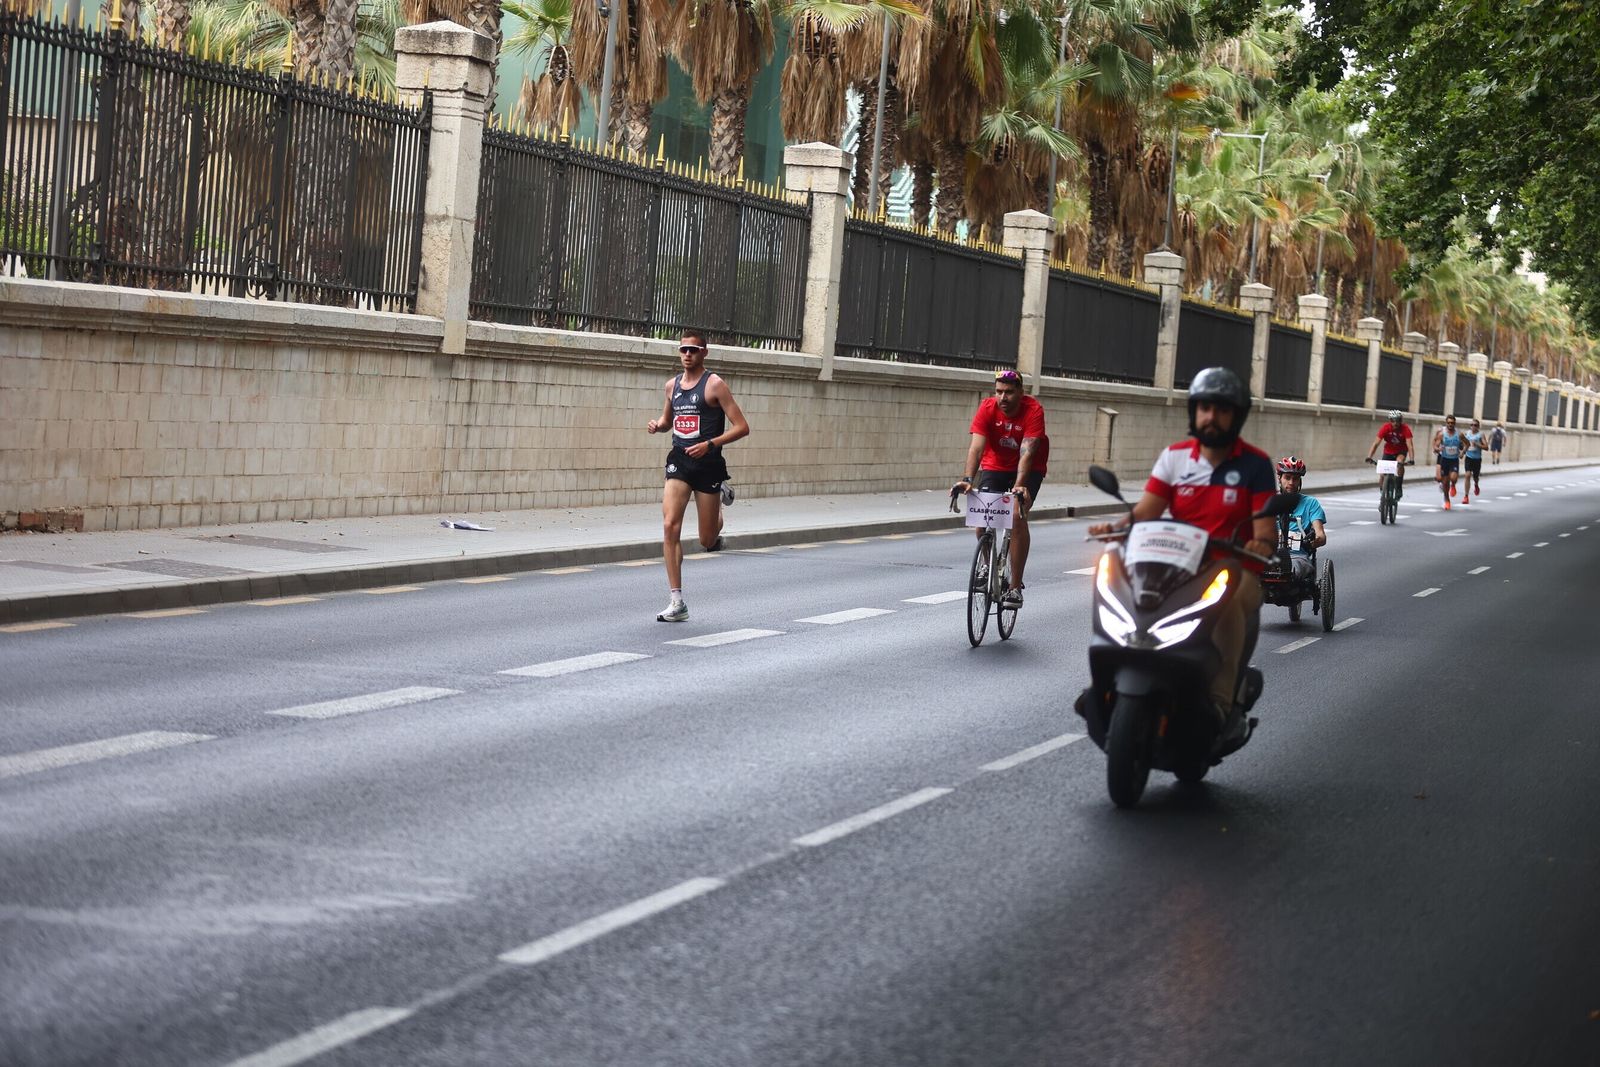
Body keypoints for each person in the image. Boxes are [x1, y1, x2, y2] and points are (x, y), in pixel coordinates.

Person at [1087, 367, 1276, 737]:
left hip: (1232, 566)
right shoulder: (1175, 458)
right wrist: (1116, 527)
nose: (1211, 417)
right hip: (1177, 565)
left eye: (1221, 410)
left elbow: (1265, 529)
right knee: (1116, 580)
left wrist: (1260, 544)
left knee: (1233, 597)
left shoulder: (1255, 465)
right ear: (1194, 411)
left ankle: (1221, 701)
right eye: (1205, 408)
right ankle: (1105, 680)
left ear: (1236, 416)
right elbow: (1145, 513)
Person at [646, 329, 749, 622]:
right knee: (669, 525)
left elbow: (742, 426)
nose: (687, 355)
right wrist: (658, 426)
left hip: (708, 464)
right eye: (683, 350)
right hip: (679, 461)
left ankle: (720, 499)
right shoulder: (671, 386)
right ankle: (676, 601)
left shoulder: (714, 385)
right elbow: (669, 421)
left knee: (707, 539)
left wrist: (710, 444)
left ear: (704, 352)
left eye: (693, 350)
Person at [952, 368, 1048, 607]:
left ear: (1020, 392)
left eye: (1008, 393)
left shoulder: (1033, 410)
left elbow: (1028, 451)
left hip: (1028, 468)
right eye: (999, 392)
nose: (1003, 398)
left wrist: (1018, 486)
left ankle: (1015, 587)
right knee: (981, 513)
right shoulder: (987, 408)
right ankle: (986, 564)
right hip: (995, 465)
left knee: (1015, 516)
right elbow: (976, 448)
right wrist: (967, 478)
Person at [1274, 456, 1327, 581]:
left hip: (1297, 556)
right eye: (1287, 478)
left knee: (1294, 567)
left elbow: (1321, 535)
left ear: (1300, 481)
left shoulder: (1310, 503)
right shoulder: (1269, 500)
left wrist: (1315, 541)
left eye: (1295, 479)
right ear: (1279, 478)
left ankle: (1285, 570)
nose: (1291, 483)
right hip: (1269, 555)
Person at [1365, 409, 1413, 498]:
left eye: (1398, 420)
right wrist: (1369, 456)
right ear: (1390, 420)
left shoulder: (1405, 429)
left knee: (1400, 462)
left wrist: (1411, 459)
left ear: (1401, 421)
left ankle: (1398, 487)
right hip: (1388, 451)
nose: (1395, 423)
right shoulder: (1386, 428)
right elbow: (1376, 443)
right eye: (1393, 420)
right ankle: (1382, 496)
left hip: (1401, 451)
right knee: (1382, 474)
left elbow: (1409, 445)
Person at [1431, 415, 1464, 510]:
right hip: (1443, 457)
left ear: (1455, 423)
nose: (1450, 424)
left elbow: (1464, 444)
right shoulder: (1441, 432)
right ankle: (1446, 499)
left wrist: (1462, 451)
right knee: (1441, 479)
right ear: (1446, 423)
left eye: (1452, 423)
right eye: (1448, 423)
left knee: (1453, 478)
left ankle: (1452, 484)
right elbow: (1435, 442)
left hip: (1453, 459)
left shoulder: (1458, 433)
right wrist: (1437, 449)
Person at [1461, 418, 1487, 500]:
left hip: (1477, 459)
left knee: (1475, 477)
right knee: (1467, 475)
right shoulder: (1467, 434)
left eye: (1475, 425)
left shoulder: (1481, 435)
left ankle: (1476, 484)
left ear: (1478, 426)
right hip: (1469, 458)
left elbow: (1486, 447)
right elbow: (1464, 445)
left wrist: (1477, 444)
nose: (1473, 427)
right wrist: (1462, 452)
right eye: (1471, 425)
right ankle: (1466, 496)